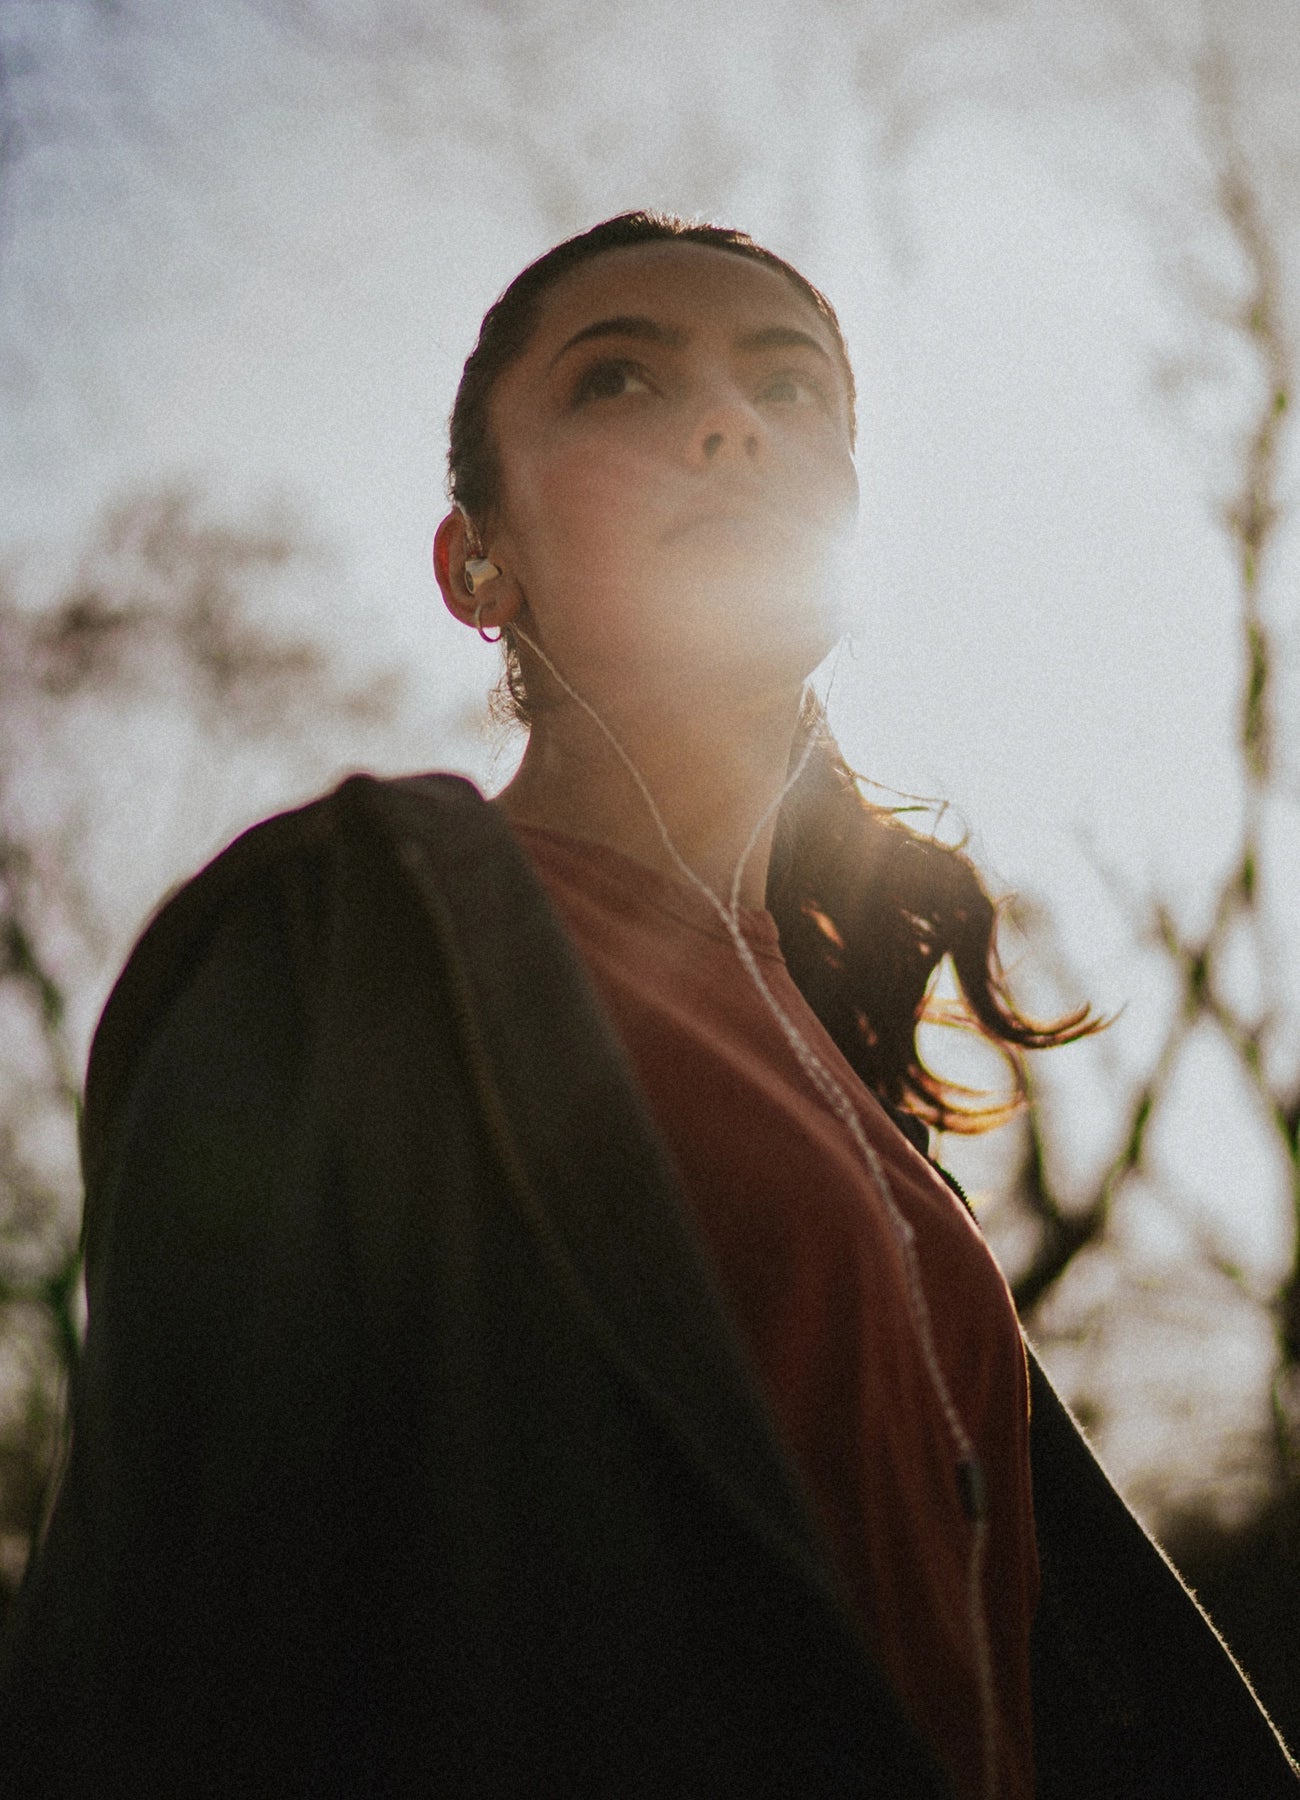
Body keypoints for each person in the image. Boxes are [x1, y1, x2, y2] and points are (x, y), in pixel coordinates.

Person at [1, 211, 1295, 1799]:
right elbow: (185, 1642)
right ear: (481, 558)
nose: (731, 420)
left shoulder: (854, 1081)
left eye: (794, 388)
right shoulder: (355, 941)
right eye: (617, 382)